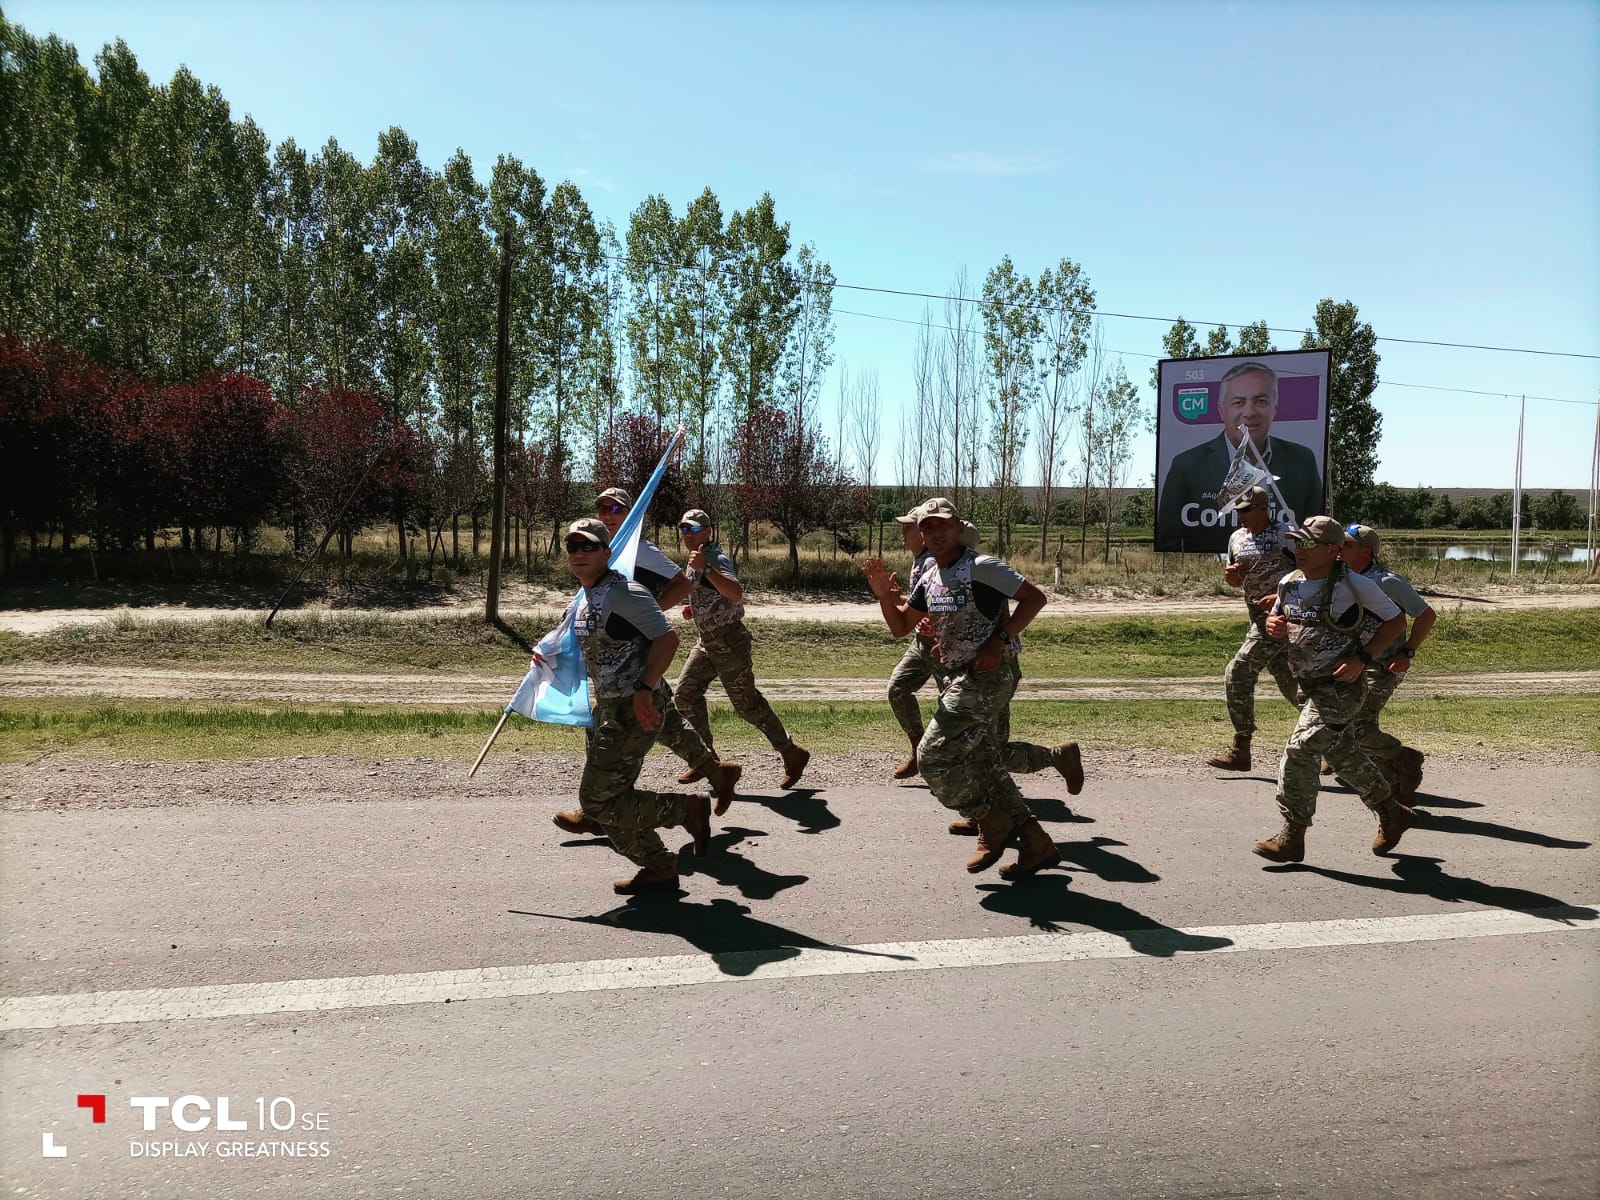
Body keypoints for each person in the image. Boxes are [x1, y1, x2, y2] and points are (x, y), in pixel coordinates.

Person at [863, 498, 1072, 880]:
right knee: (983, 758)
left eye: (942, 525)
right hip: (961, 678)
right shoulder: (930, 579)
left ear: (958, 527)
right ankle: (1036, 841)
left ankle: (991, 821)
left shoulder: (981, 566)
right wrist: (882, 595)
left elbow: (1034, 598)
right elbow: (901, 626)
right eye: (927, 528)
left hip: (992, 675)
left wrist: (1001, 639)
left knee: (933, 756)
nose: (934, 533)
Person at [538, 519, 726, 894]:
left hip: (632, 707)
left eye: (588, 547)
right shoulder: (584, 597)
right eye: (572, 547)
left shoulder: (624, 592)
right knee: (608, 800)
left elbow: (667, 640)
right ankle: (659, 866)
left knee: (596, 799)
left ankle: (685, 811)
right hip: (607, 707)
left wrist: (643, 688)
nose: (578, 554)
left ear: (607, 553)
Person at [1251, 516, 1416, 863]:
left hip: (1341, 689)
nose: (1300, 550)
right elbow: (1278, 621)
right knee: (1343, 755)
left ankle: (1292, 835)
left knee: (1300, 749)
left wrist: (1363, 658)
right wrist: (1273, 624)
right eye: (1297, 543)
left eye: (1308, 544)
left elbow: (1396, 621)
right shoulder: (1289, 583)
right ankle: (1392, 811)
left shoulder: (1353, 586)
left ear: (1332, 550)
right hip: (1308, 687)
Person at [671, 508, 810, 796]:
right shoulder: (696, 558)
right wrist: (694, 608)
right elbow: (711, 593)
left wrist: (706, 570)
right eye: (684, 529)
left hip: (729, 642)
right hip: (707, 641)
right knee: (685, 695)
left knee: (746, 704)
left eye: (694, 529)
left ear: (708, 531)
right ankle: (706, 760)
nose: (688, 534)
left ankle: (790, 752)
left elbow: (735, 592)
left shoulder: (714, 557)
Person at [1156, 360, 1323, 552]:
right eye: (1238, 402)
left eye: (1261, 401)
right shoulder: (1186, 465)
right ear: (1221, 411)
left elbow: (1314, 533)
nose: (1249, 412)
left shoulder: (1302, 460)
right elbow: (1169, 540)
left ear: (1274, 408)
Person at [1205, 486, 1300, 771]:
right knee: (1292, 685)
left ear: (1264, 508)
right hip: (1255, 616)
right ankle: (1333, 744)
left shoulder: (1286, 535)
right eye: (1238, 511)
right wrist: (1232, 577)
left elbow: (1312, 572)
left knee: (1238, 671)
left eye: (1246, 511)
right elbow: (1236, 581)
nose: (1241, 516)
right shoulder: (1237, 538)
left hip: (1282, 618)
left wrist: (1283, 596)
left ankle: (1241, 748)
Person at [1341, 523, 1435, 803]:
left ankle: (1403, 759)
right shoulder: (1343, 578)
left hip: (1382, 667)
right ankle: (1390, 778)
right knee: (1353, 722)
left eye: (1347, 545)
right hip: (1353, 662)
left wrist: (1407, 653)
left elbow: (1426, 615)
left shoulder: (1386, 582)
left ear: (1365, 552)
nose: (1340, 549)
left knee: (1357, 725)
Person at [594, 486, 692, 608]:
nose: (608, 516)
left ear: (630, 515)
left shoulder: (641, 550)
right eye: (603, 510)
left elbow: (683, 585)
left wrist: (653, 614)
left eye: (616, 509)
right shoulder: (595, 549)